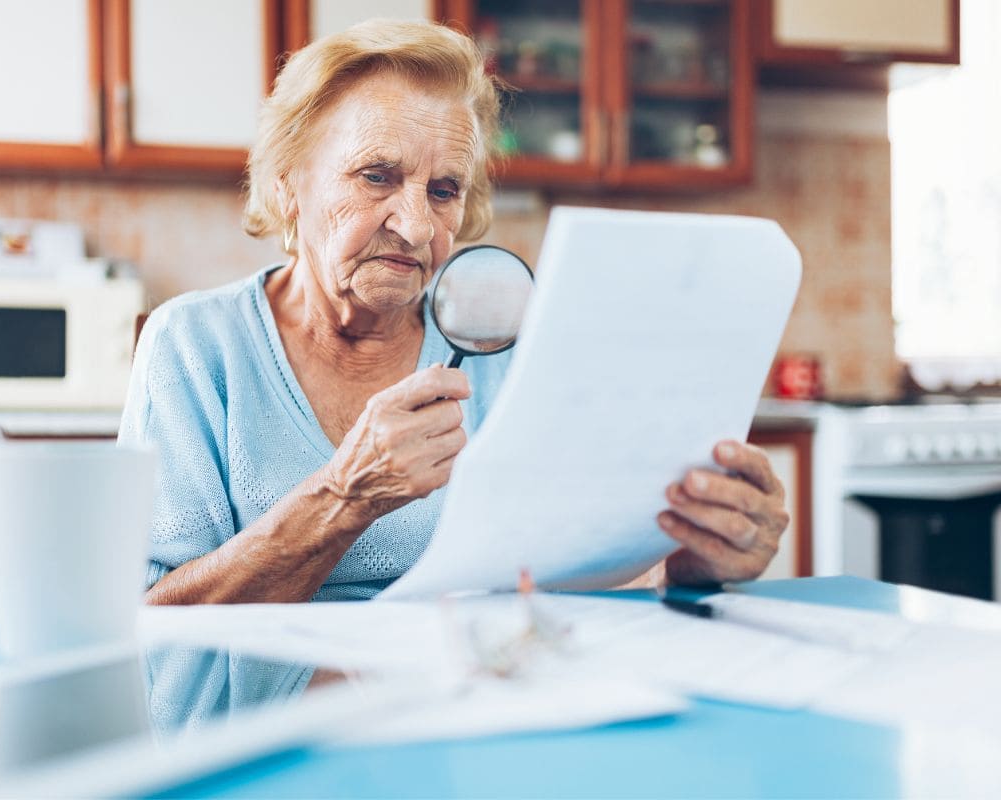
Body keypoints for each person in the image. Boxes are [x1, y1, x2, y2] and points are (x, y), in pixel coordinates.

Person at [120, 20, 789, 706]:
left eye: (443, 191)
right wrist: (344, 496)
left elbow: (556, 585)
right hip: (256, 744)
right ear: (290, 185)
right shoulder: (196, 346)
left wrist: (698, 560)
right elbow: (150, 623)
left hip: (468, 722)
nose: (415, 226)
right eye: (376, 177)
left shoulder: (502, 348)